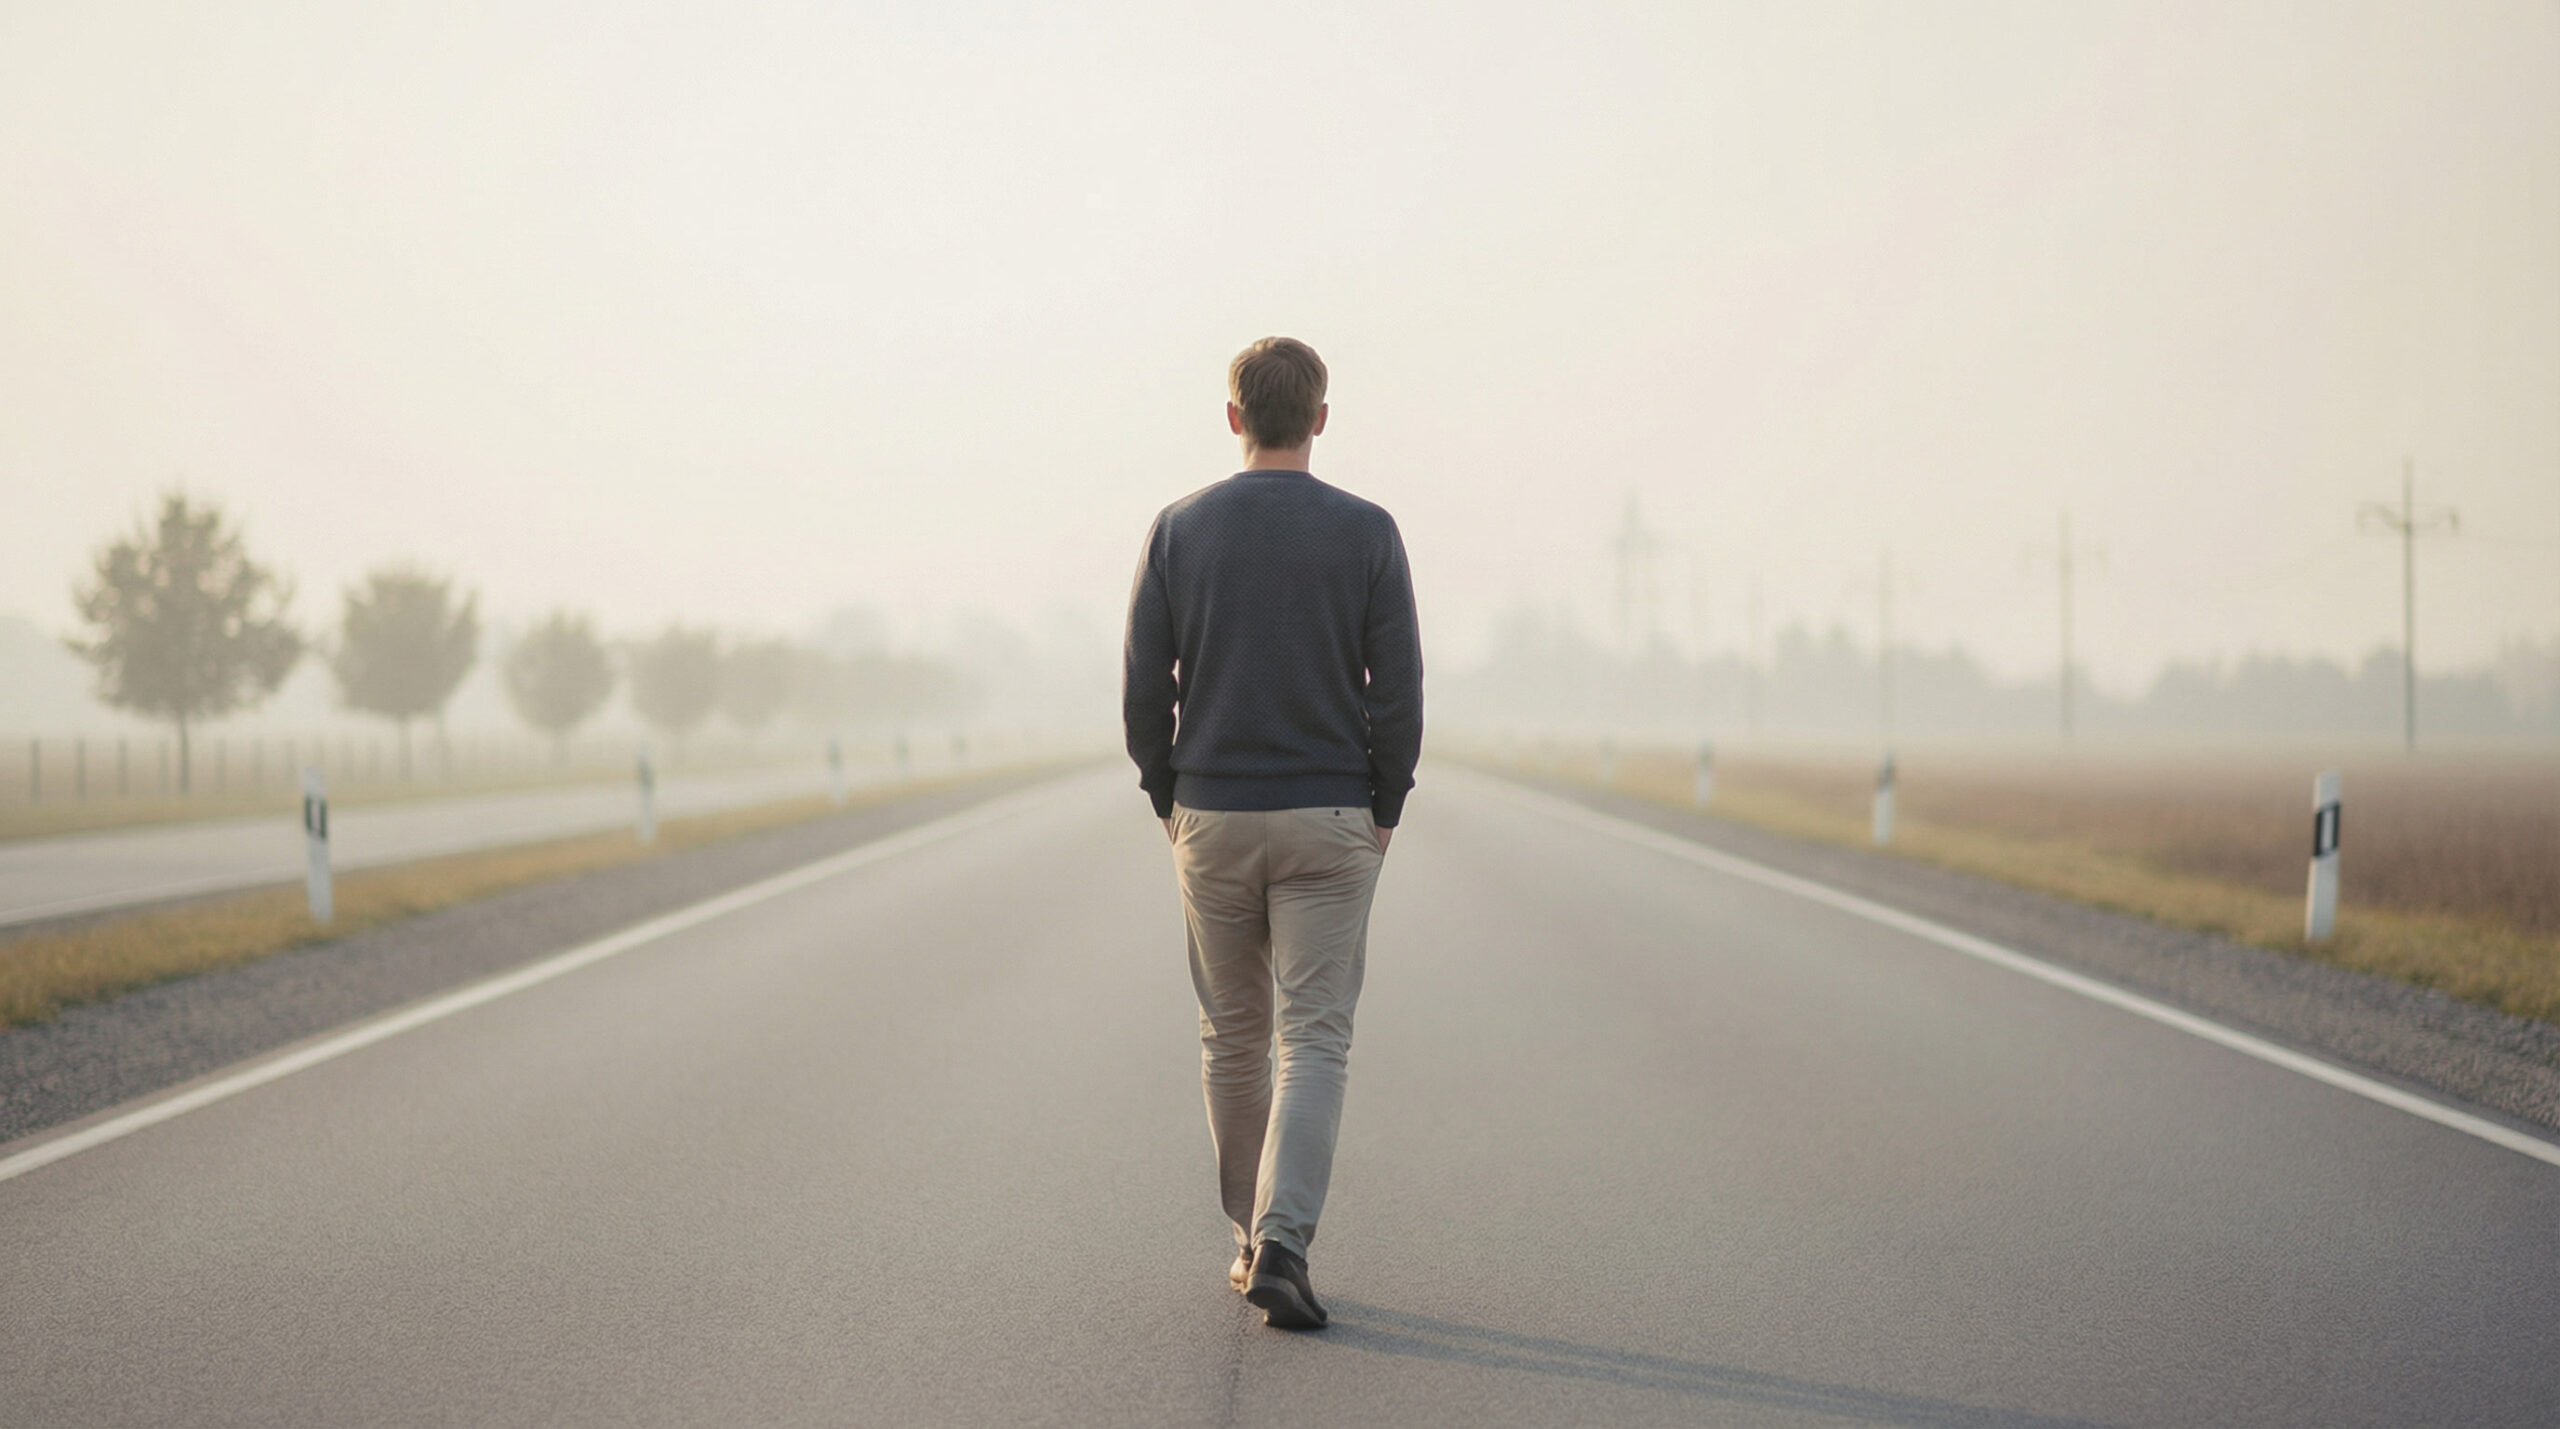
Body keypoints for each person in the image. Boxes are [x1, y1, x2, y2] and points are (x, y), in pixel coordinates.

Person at [1122, 336, 1424, 1330]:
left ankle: (1247, 1240)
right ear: (1322, 418)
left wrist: (1170, 797)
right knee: (1315, 1038)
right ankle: (1284, 1240)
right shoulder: (1369, 532)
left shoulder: (1176, 530)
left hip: (1209, 813)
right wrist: (1384, 805)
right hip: (1330, 814)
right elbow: (1400, 692)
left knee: (1233, 1038)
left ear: (1232, 416)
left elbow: (1140, 690)